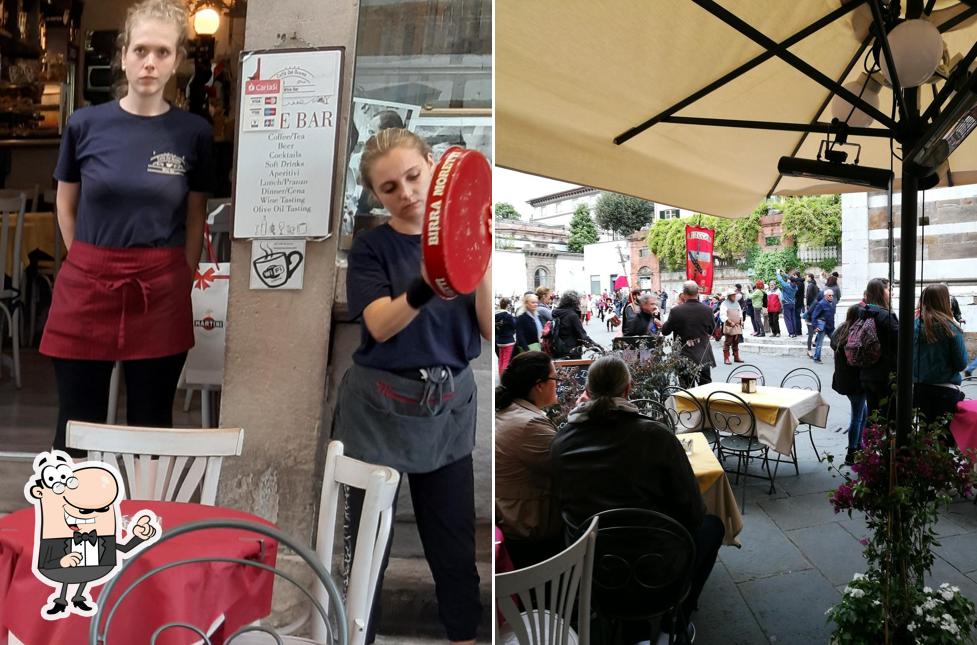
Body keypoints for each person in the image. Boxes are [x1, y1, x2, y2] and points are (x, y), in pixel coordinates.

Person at [333, 128, 490, 645]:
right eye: (388, 187)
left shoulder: (467, 238)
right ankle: (360, 637)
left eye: (412, 176)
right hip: (377, 408)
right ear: (376, 195)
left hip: (447, 409)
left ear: (432, 166)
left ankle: (465, 637)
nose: (405, 193)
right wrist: (428, 281)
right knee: (367, 546)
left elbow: (489, 327)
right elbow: (378, 325)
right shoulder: (371, 247)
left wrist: (478, 252)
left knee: (452, 545)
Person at [40, 0, 213, 455]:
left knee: (151, 424)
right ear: (123, 56)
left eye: (162, 51)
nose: (150, 62)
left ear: (177, 60)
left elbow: (196, 214)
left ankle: (148, 523)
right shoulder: (85, 124)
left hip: (159, 287)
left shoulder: (193, 132)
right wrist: (84, 259)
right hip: (88, 281)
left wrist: (185, 274)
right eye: (140, 50)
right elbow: (66, 201)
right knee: (77, 425)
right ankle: (71, 526)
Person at [550, 356, 725, 643]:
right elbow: (693, 512)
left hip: (590, 568)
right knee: (713, 526)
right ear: (629, 389)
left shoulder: (562, 441)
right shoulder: (655, 435)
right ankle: (676, 622)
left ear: (587, 391)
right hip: (656, 566)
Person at [495, 352, 564, 569]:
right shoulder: (528, 424)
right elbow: (571, 464)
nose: (557, 384)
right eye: (555, 379)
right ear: (539, 385)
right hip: (533, 533)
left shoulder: (512, 410)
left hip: (517, 523)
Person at [913, 284, 967, 438]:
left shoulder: (914, 325)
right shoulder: (950, 328)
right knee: (943, 440)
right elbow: (961, 363)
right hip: (945, 390)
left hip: (919, 388)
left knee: (924, 436)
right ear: (944, 301)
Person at [856, 278, 900, 419]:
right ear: (881, 292)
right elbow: (900, 343)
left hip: (867, 373)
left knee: (872, 417)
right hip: (885, 375)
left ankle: (869, 441)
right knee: (888, 418)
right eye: (888, 289)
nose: (891, 293)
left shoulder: (864, 312)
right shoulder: (885, 316)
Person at [831, 305, 868, 465]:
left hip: (843, 380)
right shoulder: (856, 333)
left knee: (862, 412)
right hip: (856, 382)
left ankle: (859, 444)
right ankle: (851, 452)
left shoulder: (840, 330)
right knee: (857, 417)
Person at [662, 281, 717, 386]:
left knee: (686, 388)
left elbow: (665, 331)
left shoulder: (676, 311)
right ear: (698, 293)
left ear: (683, 294)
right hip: (703, 353)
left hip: (684, 354)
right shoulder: (708, 310)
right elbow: (712, 331)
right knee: (705, 387)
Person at [551, 290, 599, 358]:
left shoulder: (555, 312)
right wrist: (598, 348)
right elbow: (583, 336)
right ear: (575, 301)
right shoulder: (572, 315)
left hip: (557, 349)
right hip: (571, 351)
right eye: (579, 299)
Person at [807, 289, 836, 364]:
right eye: (829, 295)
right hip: (822, 327)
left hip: (830, 327)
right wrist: (815, 327)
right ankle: (816, 358)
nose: (831, 297)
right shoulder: (821, 303)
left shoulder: (832, 303)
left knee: (836, 341)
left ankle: (837, 356)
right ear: (825, 296)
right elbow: (814, 316)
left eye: (832, 295)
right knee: (819, 344)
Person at [720, 291, 745, 365]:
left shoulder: (737, 303)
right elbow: (723, 315)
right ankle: (726, 358)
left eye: (734, 295)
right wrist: (730, 322)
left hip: (737, 325)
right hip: (729, 326)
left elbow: (740, 312)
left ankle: (736, 357)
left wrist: (741, 320)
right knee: (728, 342)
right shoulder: (724, 304)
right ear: (729, 296)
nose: (734, 296)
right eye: (733, 295)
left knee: (736, 342)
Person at [495, 297, 517, 374]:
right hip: (508, 341)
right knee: (506, 361)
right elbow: (514, 326)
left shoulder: (495, 315)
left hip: (499, 340)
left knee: (501, 361)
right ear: (508, 305)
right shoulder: (508, 316)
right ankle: (504, 380)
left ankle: (501, 378)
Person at [775, 269, 798, 337]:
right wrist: (784, 274)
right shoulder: (795, 287)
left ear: (789, 281)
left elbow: (780, 280)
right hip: (792, 304)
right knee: (793, 318)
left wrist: (778, 273)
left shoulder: (787, 286)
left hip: (786, 304)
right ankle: (794, 332)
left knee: (787, 319)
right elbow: (791, 279)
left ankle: (791, 333)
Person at [805, 273, 820, 352]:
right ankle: (814, 342)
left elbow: (808, 296)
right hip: (815, 306)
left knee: (810, 327)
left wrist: (807, 305)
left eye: (807, 276)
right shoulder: (816, 285)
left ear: (810, 277)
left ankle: (809, 349)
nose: (806, 278)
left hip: (811, 306)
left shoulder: (810, 285)